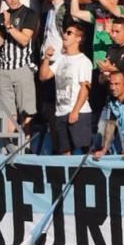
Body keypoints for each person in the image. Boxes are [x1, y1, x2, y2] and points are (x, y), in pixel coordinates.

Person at [0, 0, 39, 150]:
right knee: (7, 113)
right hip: (4, 69)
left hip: (22, 68)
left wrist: (9, 26)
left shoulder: (29, 13)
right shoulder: (2, 15)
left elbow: (24, 40)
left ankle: (25, 145)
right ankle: (10, 147)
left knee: (26, 111)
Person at [38, 25, 92, 155]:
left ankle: (86, 175)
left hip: (78, 112)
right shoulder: (61, 59)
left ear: (78, 38)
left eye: (69, 33)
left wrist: (75, 111)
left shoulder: (83, 61)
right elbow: (43, 76)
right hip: (60, 112)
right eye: (64, 32)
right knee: (64, 151)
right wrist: (46, 58)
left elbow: (85, 89)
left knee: (83, 151)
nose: (65, 35)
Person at [93, 71, 124, 160]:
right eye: (111, 84)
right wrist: (104, 150)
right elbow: (110, 125)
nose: (112, 87)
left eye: (117, 84)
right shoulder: (110, 99)